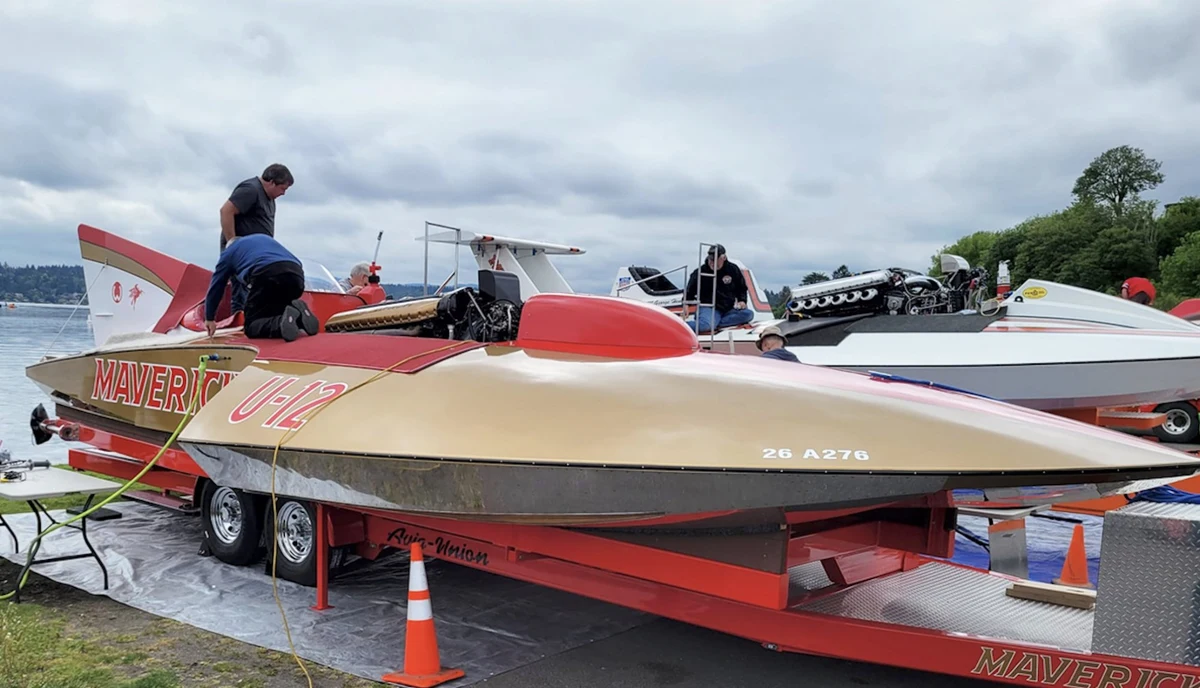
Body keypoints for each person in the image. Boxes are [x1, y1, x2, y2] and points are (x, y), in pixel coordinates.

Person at [204, 233, 319, 342]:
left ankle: (280, 323)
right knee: (279, 314)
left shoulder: (228, 253)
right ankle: (300, 319)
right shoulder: (261, 239)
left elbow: (217, 285)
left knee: (251, 326)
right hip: (296, 275)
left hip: (267, 274)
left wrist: (209, 318)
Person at [219, 164, 295, 313]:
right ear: (272, 182)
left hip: (258, 257)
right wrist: (233, 243)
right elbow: (226, 211)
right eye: (282, 189)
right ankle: (240, 323)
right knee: (241, 294)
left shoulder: (270, 198)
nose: (283, 193)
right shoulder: (251, 190)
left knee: (255, 294)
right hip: (243, 255)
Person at [684, 244, 755, 334]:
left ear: (723, 258)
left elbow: (741, 287)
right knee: (705, 325)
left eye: (715, 260)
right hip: (708, 307)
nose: (712, 263)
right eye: (710, 260)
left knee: (749, 314)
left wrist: (742, 300)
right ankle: (680, 326)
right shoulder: (700, 272)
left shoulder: (733, 269)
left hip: (728, 309)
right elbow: (690, 289)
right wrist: (686, 303)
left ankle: (715, 322)